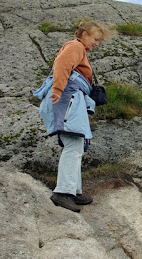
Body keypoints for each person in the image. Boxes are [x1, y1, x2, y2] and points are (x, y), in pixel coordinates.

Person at [33, 20, 110, 212]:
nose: (97, 43)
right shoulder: (75, 46)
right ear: (84, 34)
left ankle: (73, 190)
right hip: (67, 97)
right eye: (95, 38)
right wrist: (58, 90)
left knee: (75, 145)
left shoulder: (78, 48)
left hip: (70, 98)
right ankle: (63, 192)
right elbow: (62, 65)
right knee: (73, 144)